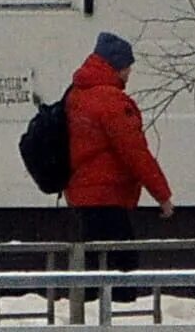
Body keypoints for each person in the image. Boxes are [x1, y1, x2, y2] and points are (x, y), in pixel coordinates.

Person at [64, 32, 174, 295]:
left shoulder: (76, 95)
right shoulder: (112, 101)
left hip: (80, 194)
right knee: (123, 266)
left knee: (92, 265)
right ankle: (115, 324)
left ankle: (87, 322)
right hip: (108, 196)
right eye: (127, 66)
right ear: (116, 65)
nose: (129, 73)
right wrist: (163, 195)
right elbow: (135, 152)